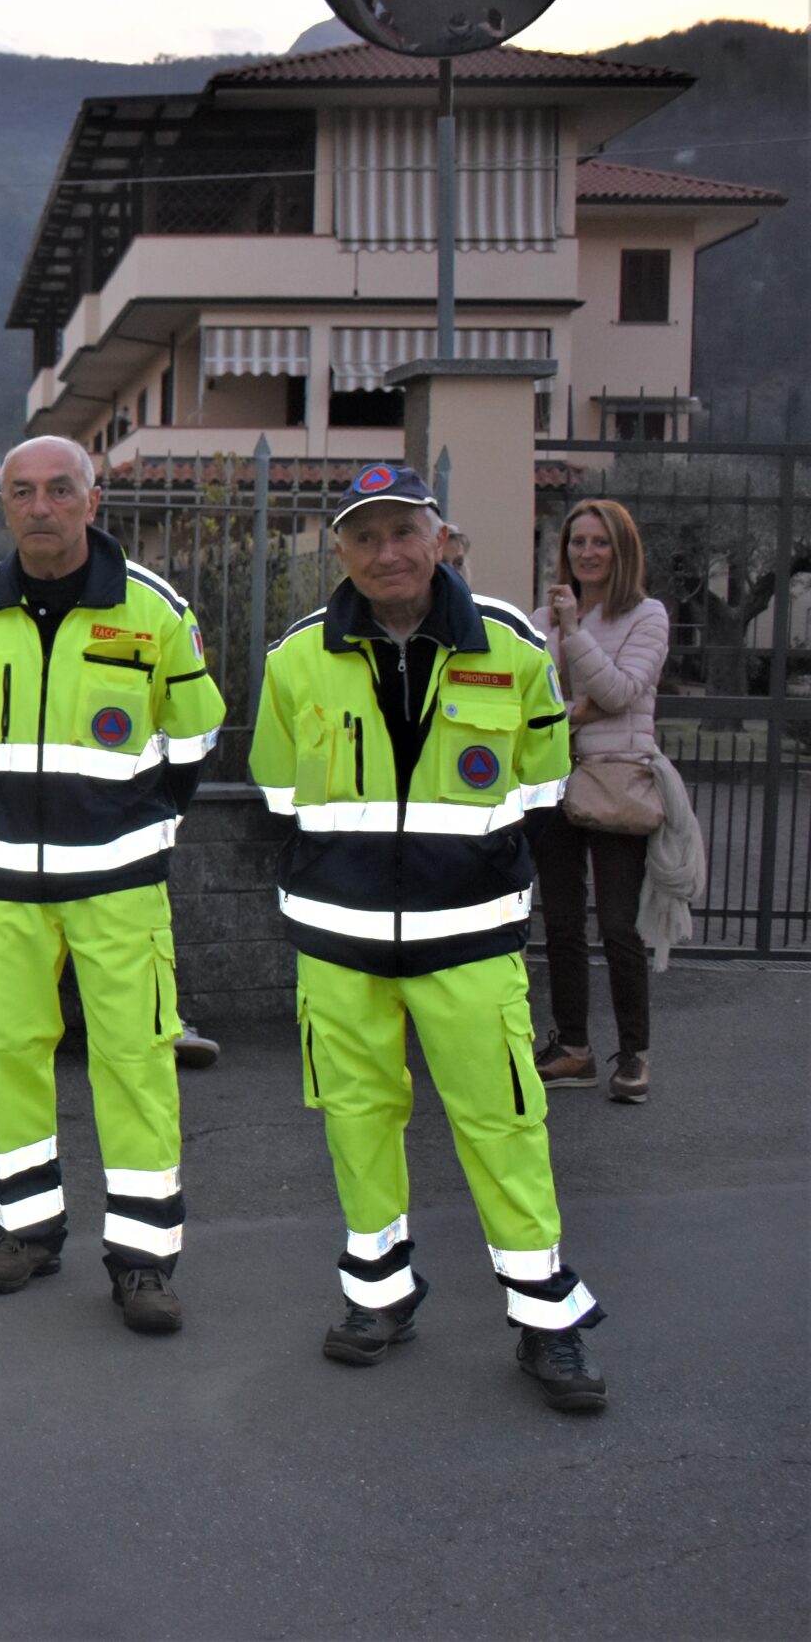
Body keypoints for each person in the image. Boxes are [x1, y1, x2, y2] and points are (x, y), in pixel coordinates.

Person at [250, 463, 606, 1413]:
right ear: (341, 552)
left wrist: (467, 871)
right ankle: (379, 1296)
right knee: (357, 1122)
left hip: (470, 944)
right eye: (365, 537)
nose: (387, 552)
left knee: (504, 1125)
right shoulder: (296, 658)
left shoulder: (513, 646)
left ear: (439, 538)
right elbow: (278, 794)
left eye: (404, 530)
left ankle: (546, 1320)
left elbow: (541, 787)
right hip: (340, 946)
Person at [0, 435, 225, 1334]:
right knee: (5, 1053)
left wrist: (138, 827)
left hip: (119, 885)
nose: (42, 507)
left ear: (93, 501)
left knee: (134, 1063)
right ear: (4, 504)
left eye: (61, 489)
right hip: (2, 886)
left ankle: (143, 1258)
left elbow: (194, 739)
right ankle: (26, 1229)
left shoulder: (155, 609)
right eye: (23, 492)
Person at [531, 499, 668, 1105]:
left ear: (622, 549)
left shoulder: (647, 616)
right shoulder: (542, 618)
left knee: (617, 924)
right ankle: (574, 1048)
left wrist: (575, 631)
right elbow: (536, 700)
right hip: (557, 778)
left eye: (600, 541)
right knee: (561, 922)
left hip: (617, 779)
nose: (587, 552)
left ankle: (634, 1054)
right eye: (578, 541)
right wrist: (577, 712)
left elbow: (618, 690)